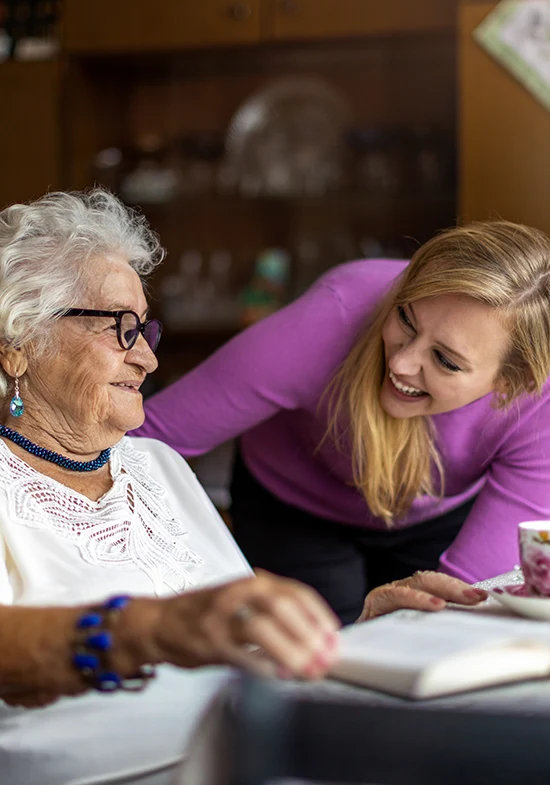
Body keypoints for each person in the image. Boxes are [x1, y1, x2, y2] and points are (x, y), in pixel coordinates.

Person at [0, 188, 485, 785]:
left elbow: (237, 652)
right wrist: (151, 629)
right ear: (17, 344)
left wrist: (355, 632)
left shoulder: (157, 465)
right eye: (119, 329)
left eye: (143, 331)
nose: (147, 362)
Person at [135, 221, 550, 624]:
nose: (402, 363)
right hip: (293, 508)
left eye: (445, 360)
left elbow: (465, 609)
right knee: (308, 663)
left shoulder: (541, 404)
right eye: (406, 318)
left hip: (439, 514)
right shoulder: (335, 314)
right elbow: (141, 440)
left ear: (514, 383)